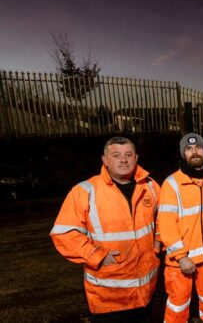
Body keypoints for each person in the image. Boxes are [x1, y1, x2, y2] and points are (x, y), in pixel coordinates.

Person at [50, 136, 161, 322]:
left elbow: (163, 220)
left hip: (146, 293)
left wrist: (157, 244)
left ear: (136, 158)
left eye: (128, 154)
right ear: (105, 160)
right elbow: (64, 233)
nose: (123, 160)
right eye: (116, 155)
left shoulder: (150, 186)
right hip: (108, 298)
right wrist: (96, 255)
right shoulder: (85, 191)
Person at [158, 133, 203, 323]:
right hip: (182, 262)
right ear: (183, 154)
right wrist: (181, 256)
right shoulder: (172, 184)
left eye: (198, 148)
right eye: (189, 149)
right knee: (178, 306)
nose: (194, 152)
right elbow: (166, 224)